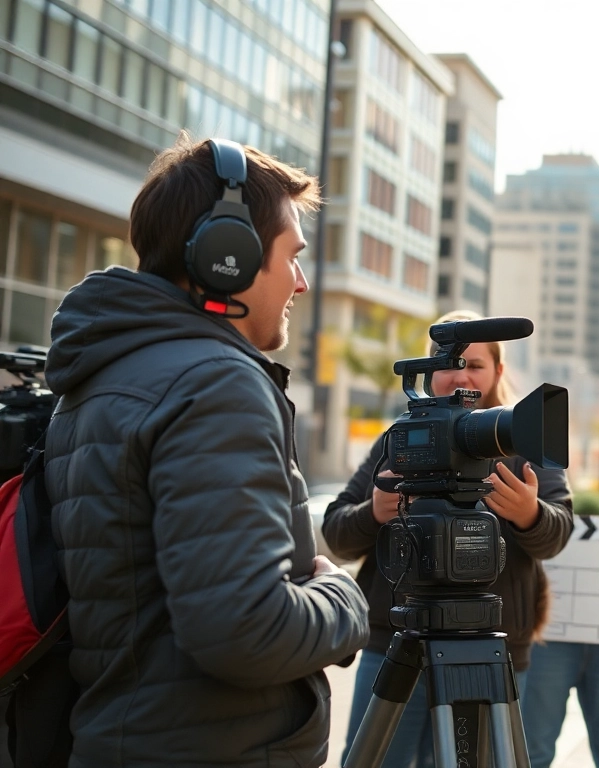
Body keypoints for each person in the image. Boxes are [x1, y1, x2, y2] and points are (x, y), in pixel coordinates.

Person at [42, 136, 370, 766]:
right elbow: (246, 631)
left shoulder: (101, 378)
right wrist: (345, 599)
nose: (301, 283)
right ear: (229, 259)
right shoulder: (216, 383)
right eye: (291, 257)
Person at [325, 310, 573, 767]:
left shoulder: (522, 445)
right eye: (448, 364)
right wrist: (374, 512)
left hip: (490, 644)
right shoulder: (400, 441)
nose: (460, 375)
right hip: (398, 638)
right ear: (425, 371)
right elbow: (337, 532)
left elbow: (558, 534)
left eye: (475, 365)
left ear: (499, 371)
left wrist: (530, 515)